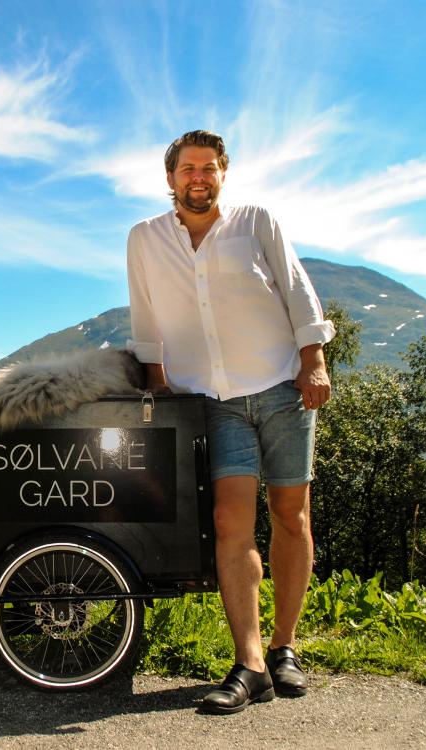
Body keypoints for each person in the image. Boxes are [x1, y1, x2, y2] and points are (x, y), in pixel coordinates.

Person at [126, 130, 335, 714]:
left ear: (223, 174)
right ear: (170, 179)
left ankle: (285, 647)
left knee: (290, 516)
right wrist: (156, 383)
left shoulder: (255, 220)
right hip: (210, 400)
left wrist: (314, 362)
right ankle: (250, 664)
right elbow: (145, 316)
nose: (199, 177)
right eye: (188, 168)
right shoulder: (144, 238)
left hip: (280, 388)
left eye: (209, 167)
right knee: (228, 521)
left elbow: (297, 290)